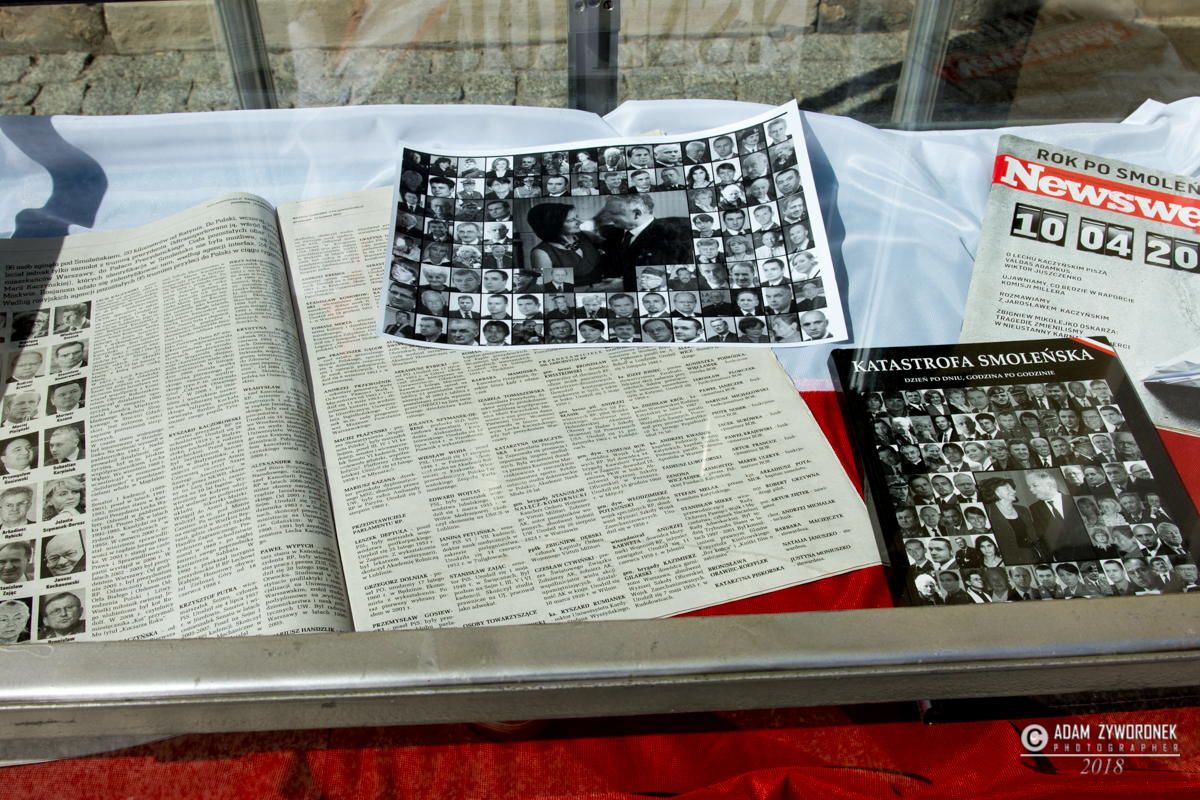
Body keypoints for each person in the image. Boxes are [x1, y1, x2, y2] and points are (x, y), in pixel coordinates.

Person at [599, 195, 692, 290]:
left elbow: (662, 274)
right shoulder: (613, 233)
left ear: (637, 214)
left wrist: (626, 284)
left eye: (613, 213)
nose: (607, 217)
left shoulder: (671, 236)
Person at [980, 476, 1041, 564]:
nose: (1014, 491)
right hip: (1007, 560)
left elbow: (1034, 536)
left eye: (1012, 488)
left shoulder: (1023, 510)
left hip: (1030, 557)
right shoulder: (988, 511)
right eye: (1007, 488)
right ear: (995, 492)